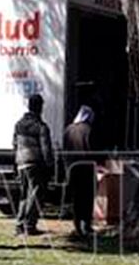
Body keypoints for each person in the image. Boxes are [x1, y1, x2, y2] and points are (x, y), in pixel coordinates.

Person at [13, 94, 55, 235]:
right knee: (35, 194)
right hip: (35, 163)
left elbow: (14, 143)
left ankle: (19, 224)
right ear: (39, 107)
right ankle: (29, 225)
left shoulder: (19, 124)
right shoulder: (41, 126)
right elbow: (46, 149)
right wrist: (50, 164)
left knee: (24, 195)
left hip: (21, 163)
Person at [63, 105, 97, 236]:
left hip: (72, 168)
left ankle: (77, 225)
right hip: (87, 168)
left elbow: (64, 150)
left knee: (76, 198)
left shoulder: (68, 129)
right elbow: (93, 149)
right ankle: (86, 225)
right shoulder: (88, 130)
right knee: (87, 197)